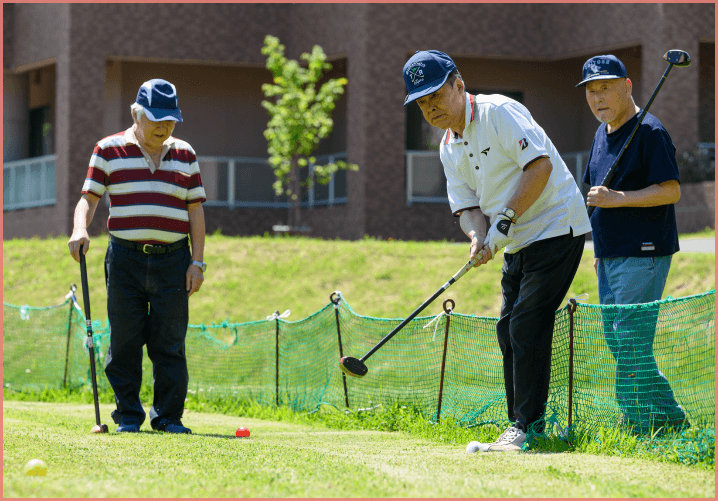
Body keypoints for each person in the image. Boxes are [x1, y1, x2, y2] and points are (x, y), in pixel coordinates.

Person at [403, 51, 591, 452]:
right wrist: (477, 236)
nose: (430, 106)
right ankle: (524, 426)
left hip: (557, 226)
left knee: (526, 323)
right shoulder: (448, 146)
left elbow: (538, 167)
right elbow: (467, 207)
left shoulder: (499, 112)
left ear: (459, 84)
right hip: (517, 241)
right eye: (421, 102)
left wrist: (503, 220)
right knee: (507, 328)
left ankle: (525, 427)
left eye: (436, 94)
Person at [67, 78, 207, 434]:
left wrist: (198, 262)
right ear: (136, 114)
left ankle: (168, 418)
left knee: (169, 342)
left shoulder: (186, 154)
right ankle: (128, 416)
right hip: (125, 259)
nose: (163, 127)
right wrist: (80, 228)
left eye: (170, 120)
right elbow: (89, 198)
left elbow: (196, 212)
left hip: (174, 259)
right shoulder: (107, 150)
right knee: (125, 340)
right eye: (156, 118)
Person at [577, 55, 688, 432]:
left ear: (627, 86)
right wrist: (598, 248)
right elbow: (595, 196)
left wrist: (620, 198)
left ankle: (638, 423)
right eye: (591, 91)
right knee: (618, 339)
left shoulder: (651, 131)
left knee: (630, 341)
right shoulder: (600, 135)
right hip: (609, 254)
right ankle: (670, 418)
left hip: (644, 253)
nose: (597, 98)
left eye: (605, 88)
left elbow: (671, 191)